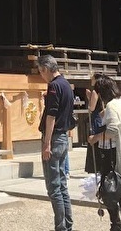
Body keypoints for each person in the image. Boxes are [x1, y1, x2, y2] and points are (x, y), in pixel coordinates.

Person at [88, 75, 121, 231]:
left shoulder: (112, 106)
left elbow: (113, 130)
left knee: (110, 189)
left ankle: (116, 224)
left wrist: (96, 138)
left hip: (112, 152)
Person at [37, 54, 74, 231]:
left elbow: (51, 116)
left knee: (53, 187)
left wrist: (47, 143)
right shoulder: (66, 85)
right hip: (63, 136)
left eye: (40, 72)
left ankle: (61, 227)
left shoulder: (53, 86)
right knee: (62, 184)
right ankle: (68, 224)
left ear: (45, 69)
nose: (41, 76)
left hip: (54, 137)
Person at [84, 73, 105, 176]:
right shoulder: (104, 91)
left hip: (96, 117)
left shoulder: (95, 92)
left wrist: (89, 98)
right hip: (101, 117)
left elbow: (91, 108)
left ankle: (95, 167)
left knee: (94, 141)